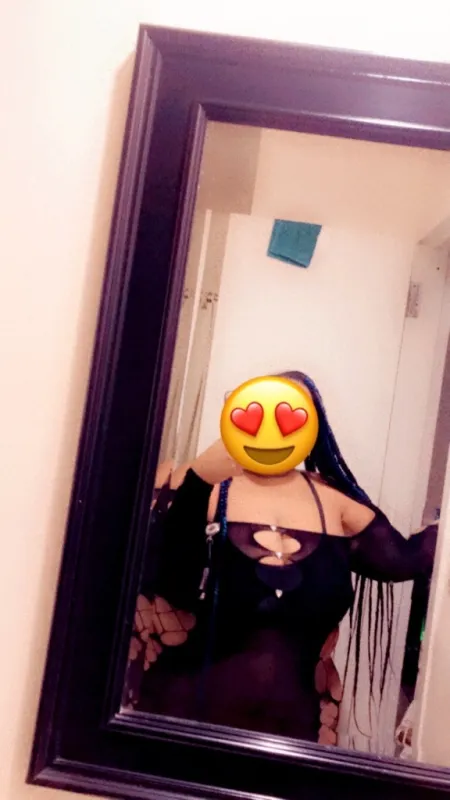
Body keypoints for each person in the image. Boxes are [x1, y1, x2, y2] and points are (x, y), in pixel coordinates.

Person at [130, 370, 438, 745]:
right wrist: (198, 479)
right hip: (186, 723)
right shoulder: (198, 486)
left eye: (291, 415)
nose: (271, 431)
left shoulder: (335, 501)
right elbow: (161, 575)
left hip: (295, 733)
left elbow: (404, 559)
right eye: (257, 413)